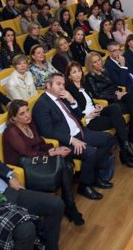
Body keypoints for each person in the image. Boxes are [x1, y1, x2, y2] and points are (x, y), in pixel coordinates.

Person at [32, 73, 114, 201]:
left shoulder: (63, 96)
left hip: (81, 132)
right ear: (48, 85)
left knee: (108, 139)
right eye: (58, 84)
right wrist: (71, 140)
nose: (62, 87)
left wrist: (72, 101)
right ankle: (85, 185)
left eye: (63, 84)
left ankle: (93, 174)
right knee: (90, 153)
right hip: (66, 140)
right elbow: (47, 132)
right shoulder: (41, 105)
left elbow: (79, 114)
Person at [2, 99, 84, 225]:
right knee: (63, 164)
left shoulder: (29, 123)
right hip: (25, 168)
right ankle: (70, 206)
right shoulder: (11, 131)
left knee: (64, 162)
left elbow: (40, 142)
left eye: (27, 110)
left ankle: (69, 205)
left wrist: (54, 148)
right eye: (22, 114)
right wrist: (51, 153)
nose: (27, 115)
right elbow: (27, 154)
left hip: (38, 160)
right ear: (14, 118)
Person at [65, 61, 133, 168]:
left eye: (79, 71)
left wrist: (96, 106)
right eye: (74, 72)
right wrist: (90, 115)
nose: (78, 74)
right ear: (69, 76)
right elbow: (73, 112)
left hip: (96, 112)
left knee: (115, 108)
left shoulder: (84, 84)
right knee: (118, 120)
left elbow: (90, 101)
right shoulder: (69, 91)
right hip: (89, 120)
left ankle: (125, 148)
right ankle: (125, 150)